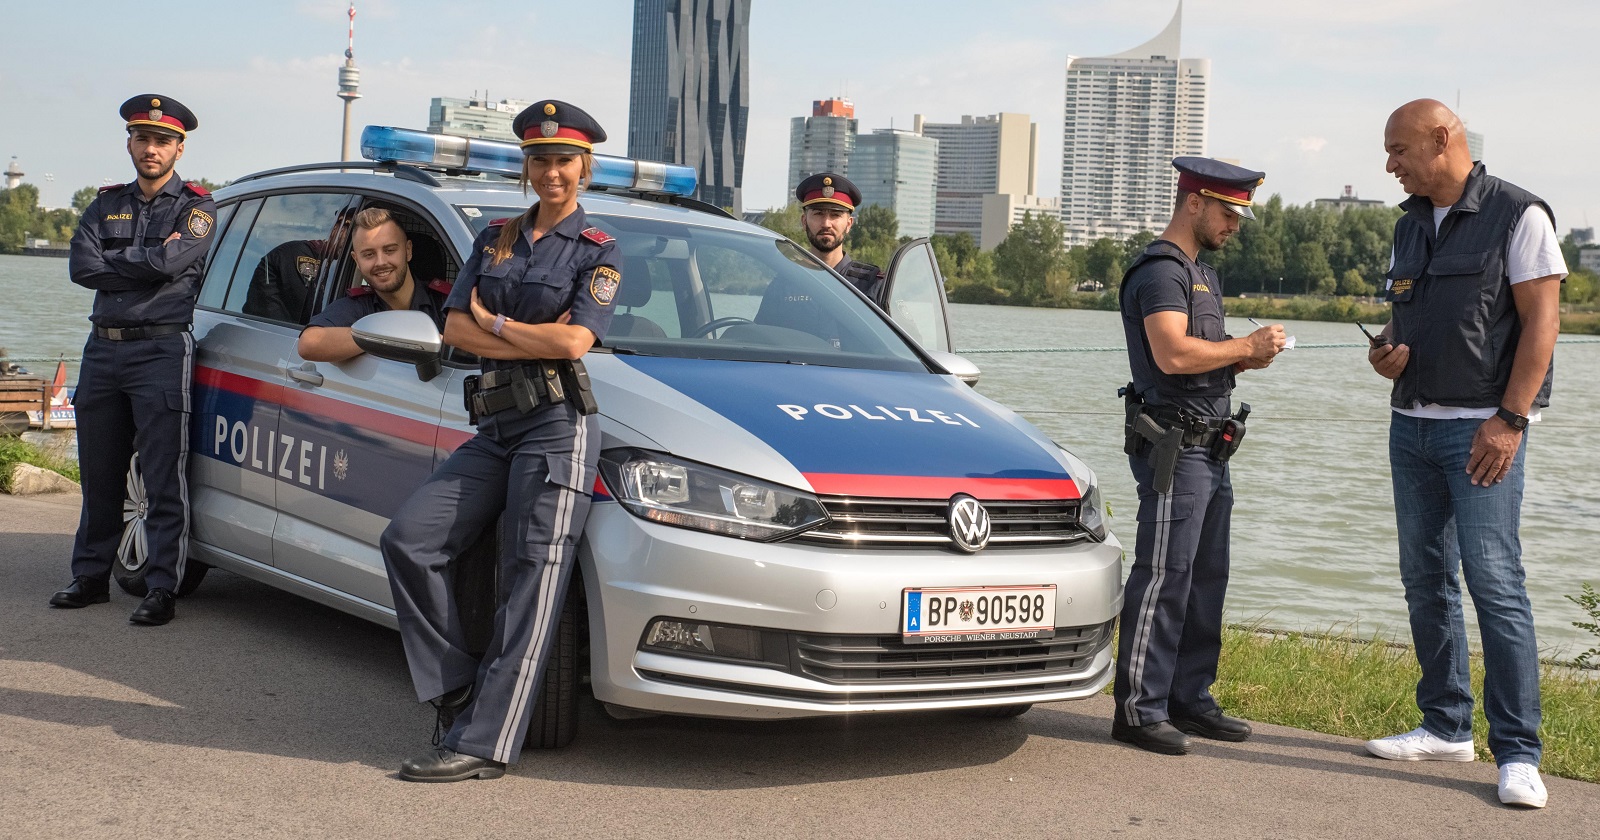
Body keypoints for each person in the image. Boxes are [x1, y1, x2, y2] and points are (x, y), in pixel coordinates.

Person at [378, 99, 620, 783]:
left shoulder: (598, 249)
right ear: (526, 166)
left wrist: (499, 326)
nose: (551, 172)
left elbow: (574, 342)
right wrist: (516, 332)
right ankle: (456, 688)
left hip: (557, 428)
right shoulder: (495, 240)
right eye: (539, 160)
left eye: (564, 161)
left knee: (528, 584)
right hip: (495, 426)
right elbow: (454, 329)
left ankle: (483, 743)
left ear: (583, 168)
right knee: (409, 539)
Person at [1363, 99, 1563, 810]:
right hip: (1411, 426)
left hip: (1482, 431)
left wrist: (1510, 420)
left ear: (1442, 139)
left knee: (1495, 583)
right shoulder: (1409, 224)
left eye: (1398, 150)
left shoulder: (1519, 215)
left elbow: (1543, 324)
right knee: (1425, 581)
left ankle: (1519, 754)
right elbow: (1407, 317)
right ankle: (1446, 726)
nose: (1390, 165)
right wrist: (1388, 354)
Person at [1111, 157, 1287, 756]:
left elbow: (1202, 357)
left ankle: (1188, 697)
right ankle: (1139, 710)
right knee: (1164, 575)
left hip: (1213, 447)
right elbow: (1172, 355)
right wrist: (1244, 344)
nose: (1235, 225)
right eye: (1228, 212)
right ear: (1194, 202)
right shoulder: (1162, 272)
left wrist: (1244, 358)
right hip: (1176, 448)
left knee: (1207, 577)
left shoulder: (1201, 274)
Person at [51, 95, 215, 626]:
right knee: (99, 474)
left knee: (163, 477)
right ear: (129, 143)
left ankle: (162, 587)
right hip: (103, 349)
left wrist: (118, 260)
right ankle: (90, 578)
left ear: (179, 148)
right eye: (143, 138)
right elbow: (82, 268)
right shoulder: (104, 204)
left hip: (161, 351)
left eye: (162, 141)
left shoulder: (197, 208)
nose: (151, 148)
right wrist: (147, 263)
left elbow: (172, 262)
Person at [296, 207, 450, 362]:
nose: (380, 262)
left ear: (408, 250)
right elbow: (309, 343)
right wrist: (394, 333)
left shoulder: (445, 303)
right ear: (357, 261)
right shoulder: (358, 306)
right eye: (369, 254)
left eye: (389, 250)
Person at [243, 208, 354, 323]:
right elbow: (308, 311)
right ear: (338, 230)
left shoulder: (326, 265)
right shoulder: (303, 255)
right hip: (263, 329)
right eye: (351, 234)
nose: (352, 245)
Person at [794, 173, 885, 302]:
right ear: (804, 221)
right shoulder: (788, 280)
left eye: (835, 215)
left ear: (849, 224)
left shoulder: (871, 285)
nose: (826, 224)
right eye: (818, 214)